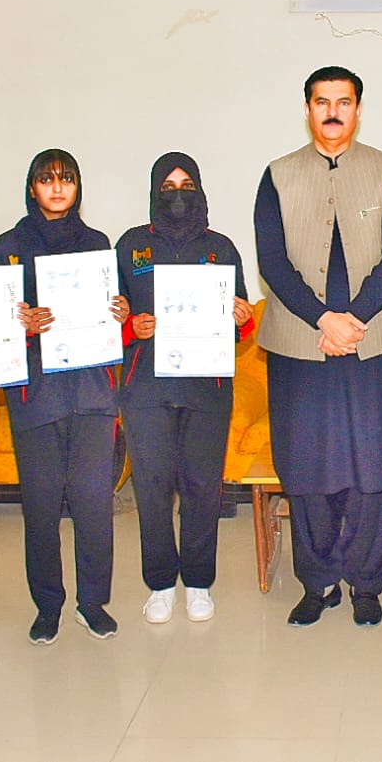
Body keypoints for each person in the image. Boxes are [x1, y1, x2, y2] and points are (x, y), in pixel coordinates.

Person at [254, 65, 382, 627]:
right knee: (307, 466)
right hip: (300, 345)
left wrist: (354, 319)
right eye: (322, 101)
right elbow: (271, 261)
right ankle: (317, 581)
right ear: (307, 109)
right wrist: (323, 317)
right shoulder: (277, 175)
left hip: (372, 343)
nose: (332, 112)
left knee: (373, 466)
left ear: (358, 109)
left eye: (343, 102)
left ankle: (367, 582)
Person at [0, 149, 128, 644]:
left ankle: (93, 603)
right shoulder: (7, 247)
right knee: (42, 508)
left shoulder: (98, 244)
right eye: (46, 180)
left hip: (91, 393)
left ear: (77, 186)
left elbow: (119, 318)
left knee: (93, 504)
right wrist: (19, 323)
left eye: (66, 179)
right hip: (36, 395)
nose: (57, 188)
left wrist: (119, 309)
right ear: (32, 188)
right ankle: (48, 605)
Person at [115, 152, 252, 624]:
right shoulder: (131, 246)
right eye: (168, 185)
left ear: (199, 190)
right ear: (155, 191)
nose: (177, 194)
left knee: (202, 487)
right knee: (152, 487)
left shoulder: (222, 247)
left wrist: (241, 318)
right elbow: (110, 315)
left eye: (186, 184)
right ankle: (158, 583)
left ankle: (198, 581)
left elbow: (241, 321)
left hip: (206, 387)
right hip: (145, 387)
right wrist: (133, 325)